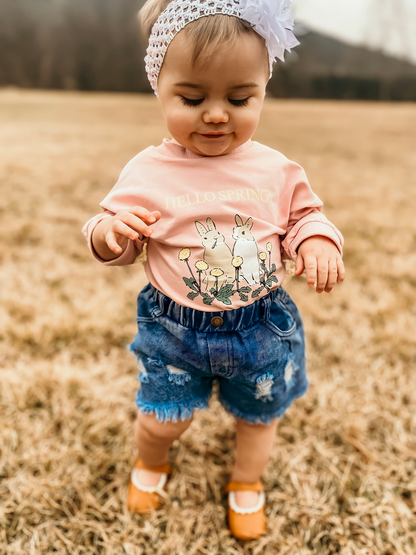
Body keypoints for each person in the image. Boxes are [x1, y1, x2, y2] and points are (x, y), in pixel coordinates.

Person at [82, 0, 345, 541]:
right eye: (193, 97)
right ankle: (151, 462)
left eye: (240, 97)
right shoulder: (148, 170)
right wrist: (111, 235)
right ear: (160, 88)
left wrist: (317, 239)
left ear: (263, 89)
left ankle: (246, 483)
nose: (217, 114)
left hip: (261, 327)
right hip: (175, 329)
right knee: (162, 419)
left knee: (259, 417)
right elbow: (108, 231)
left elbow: (304, 215)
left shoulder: (275, 168)